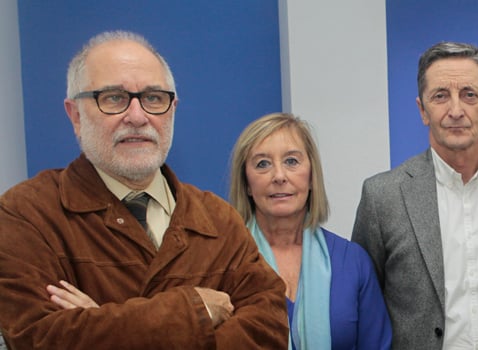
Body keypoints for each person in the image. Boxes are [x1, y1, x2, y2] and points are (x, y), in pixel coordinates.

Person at [0, 31, 288, 349]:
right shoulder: (27, 215)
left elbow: (269, 330)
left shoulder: (218, 222)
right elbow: (38, 338)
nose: (137, 117)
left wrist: (103, 326)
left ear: (173, 108)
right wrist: (194, 310)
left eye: (153, 98)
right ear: (75, 115)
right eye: (113, 98)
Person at [351, 41, 478, 349]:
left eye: (469, 95)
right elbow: (367, 300)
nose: (456, 110)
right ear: (422, 109)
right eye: (440, 96)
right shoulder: (383, 196)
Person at [228, 112, 392, 349]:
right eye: (262, 164)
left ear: (312, 176)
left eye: (291, 161)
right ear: (247, 184)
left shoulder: (352, 262)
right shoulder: (224, 264)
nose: (279, 176)